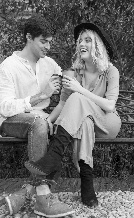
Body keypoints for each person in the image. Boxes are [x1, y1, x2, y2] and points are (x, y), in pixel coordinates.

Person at [25, 22, 121, 208]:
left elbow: (110, 105)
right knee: (83, 121)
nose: (81, 44)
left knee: (77, 98)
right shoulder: (74, 72)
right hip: (84, 124)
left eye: (87, 40)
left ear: (97, 45)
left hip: (107, 123)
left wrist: (79, 89)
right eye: (80, 41)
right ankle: (87, 182)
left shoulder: (110, 70)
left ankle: (54, 155)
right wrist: (47, 121)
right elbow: (63, 104)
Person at [0, 14, 74, 218]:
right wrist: (41, 96)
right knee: (38, 122)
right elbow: (5, 107)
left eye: (50, 42)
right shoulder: (8, 66)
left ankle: (27, 193)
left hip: (42, 121)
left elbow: (69, 88)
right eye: (43, 41)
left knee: (53, 127)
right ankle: (42, 196)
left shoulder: (50, 64)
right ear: (29, 37)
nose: (48, 46)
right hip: (13, 120)